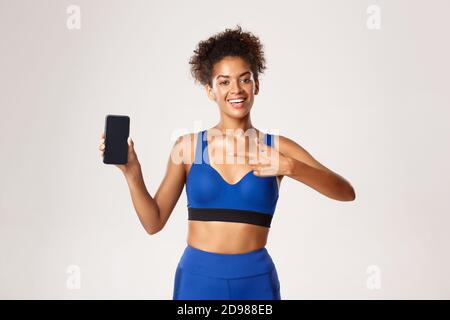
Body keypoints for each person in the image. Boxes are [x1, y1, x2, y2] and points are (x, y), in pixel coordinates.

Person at [98, 25, 356, 300]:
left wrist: (290, 167)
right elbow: (154, 222)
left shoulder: (277, 148)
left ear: (256, 84)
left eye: (245, 79)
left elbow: (346, 192)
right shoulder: (188, 147)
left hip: (256, 282)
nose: (236, 90)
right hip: (197, 279)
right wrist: (132, 173)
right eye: (224, 81)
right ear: (210, 90)